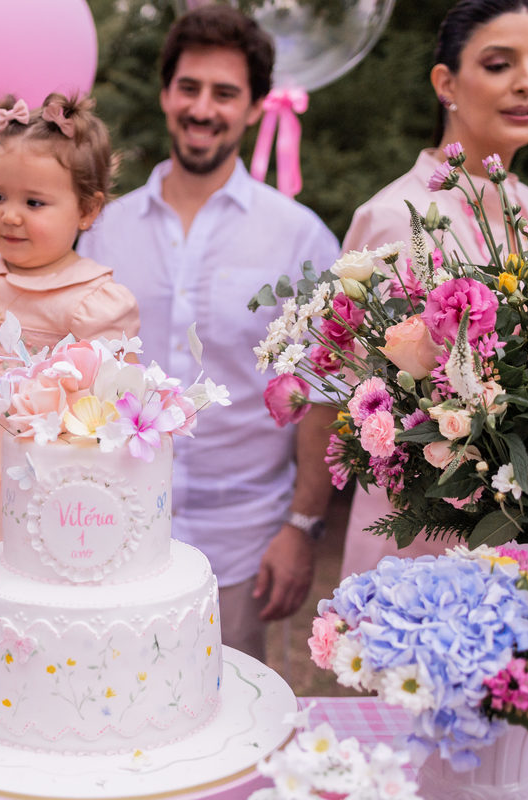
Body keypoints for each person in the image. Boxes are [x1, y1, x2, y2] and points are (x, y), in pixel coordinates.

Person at [77, 6, 340, 661]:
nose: (204, 108)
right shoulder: (102, 230)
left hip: (245, 543)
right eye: (189, 88)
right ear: (167, 95)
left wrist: (301, 527)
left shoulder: (301, 236)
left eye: (225, 93)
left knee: (237, 736)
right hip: (113, 535)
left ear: (254, 108)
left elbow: (324, 393)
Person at [339, 0, 528, 578]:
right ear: (446, 82)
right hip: (424, 544)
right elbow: (360, 408)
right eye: (499, 63)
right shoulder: (392, 221)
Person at [0, 93, 139, 594]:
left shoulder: (92, 301)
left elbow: (103, 407)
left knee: (3, 558)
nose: (10, 216)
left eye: (34, 202)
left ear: (86, 211)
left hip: (21, 456)